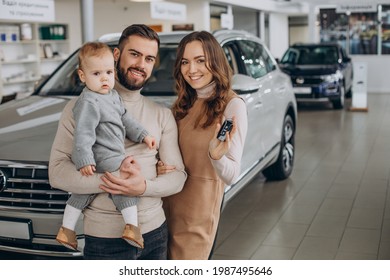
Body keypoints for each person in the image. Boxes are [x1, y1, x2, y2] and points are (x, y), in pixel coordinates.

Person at [49, 24, 186, 260]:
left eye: (149, 58)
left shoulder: (162, 114)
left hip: (155, 234)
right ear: (116, 56)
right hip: (104, 240)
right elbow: (58, 173)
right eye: (134, 54)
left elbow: (178, 177)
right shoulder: (78, 108)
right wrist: (113, 180)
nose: (141, 64)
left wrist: (142, 187)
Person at [55, 42, 157, 251]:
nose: (104, 78)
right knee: (124, 184)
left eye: (109, 72)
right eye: (96, 73)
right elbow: (83, 133)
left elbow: (126, 119)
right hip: (102, 155)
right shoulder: (88, 101)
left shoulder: (112, 96)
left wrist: (143, 134)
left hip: (111, 153)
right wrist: (84, 160)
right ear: (83, 77)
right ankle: (132, 227)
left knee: (82, 193)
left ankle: (66, 230)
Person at [160, 31, 248, 259]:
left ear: (215, 61)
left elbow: (232, 175)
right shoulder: (182, 104)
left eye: (200, 60)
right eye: (185, 62)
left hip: (197, 212)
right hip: (164, 205)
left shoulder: (232, 106)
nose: (191, 70)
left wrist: (216, 157)